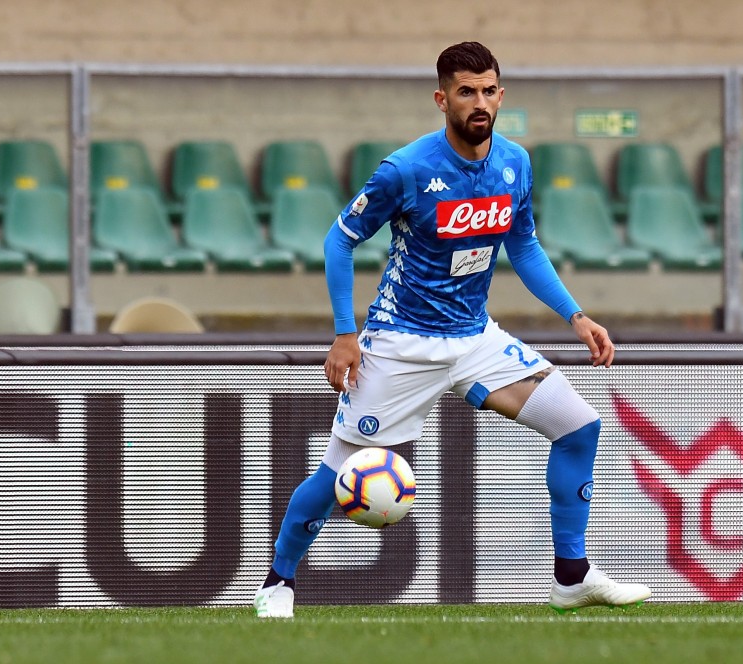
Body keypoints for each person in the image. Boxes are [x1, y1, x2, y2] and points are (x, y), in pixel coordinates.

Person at [254, 41, 652, 618]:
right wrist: (344, 333)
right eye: (466, 92)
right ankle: (277, 584)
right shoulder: (406, 169)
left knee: (577, 425)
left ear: (502, 95)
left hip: (475, 338)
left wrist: (576, 315)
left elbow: (524, 247)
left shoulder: (515, 163)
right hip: (401, 343)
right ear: (442, 99)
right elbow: (339, 240)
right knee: (336, 473)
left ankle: (572, 576)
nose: (479, 102)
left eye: (489, 91)